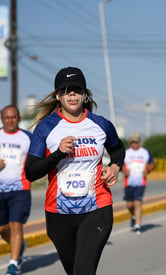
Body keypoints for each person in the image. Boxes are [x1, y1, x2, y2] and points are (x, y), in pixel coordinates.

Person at [24, 67, 125, 275]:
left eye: (77, 90)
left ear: (84, 93)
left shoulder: (100, 125)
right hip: (59, 213)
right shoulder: (46, 128)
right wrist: (58, 153)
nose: (72, 94)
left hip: (97, 208)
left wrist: (115, 167)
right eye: (66, 90)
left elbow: (118, 149)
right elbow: (31, 172)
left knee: (83, 271)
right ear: (58, 96)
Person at [0, 105, 32, 275]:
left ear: (18, 118)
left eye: (13, 117)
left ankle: (13, 264)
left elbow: (40, 157)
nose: (10, 120)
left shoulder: (27, 138)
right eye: (7, 118)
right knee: (2, 229)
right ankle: (19, 247)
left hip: (20, 188)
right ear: (2, 119)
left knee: (16, 225)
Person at [122, 132, 154, 235]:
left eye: (136, 142)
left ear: (139, 142)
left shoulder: (145, 152)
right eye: (132, 142)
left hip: (141, 181)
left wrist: (148, 170)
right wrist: (124, 170)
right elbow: (119, 164)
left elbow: (152, 164)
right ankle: (133, 216)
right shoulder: (126, 152)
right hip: (129, 181)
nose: (134, 144)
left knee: (138, 202)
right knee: (130, 204)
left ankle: (137, 225)